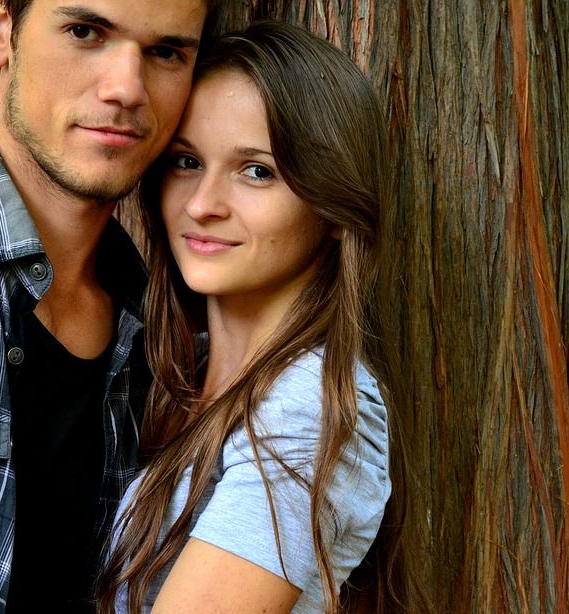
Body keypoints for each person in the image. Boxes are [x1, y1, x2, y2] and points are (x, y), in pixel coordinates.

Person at [99, 21, 402, 613]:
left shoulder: (307, 408)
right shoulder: (171, 375)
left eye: (257, 171)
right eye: (188, 161)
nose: (201, 204)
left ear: (333, 205)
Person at [0, 0, 220, 610]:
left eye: (165, 52)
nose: (126, 89)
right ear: (1, 29)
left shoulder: (171, 336)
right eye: (85, 31)